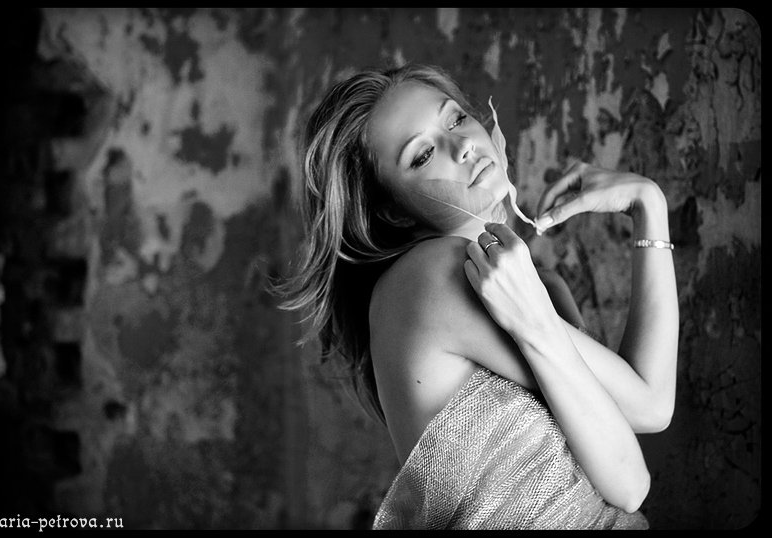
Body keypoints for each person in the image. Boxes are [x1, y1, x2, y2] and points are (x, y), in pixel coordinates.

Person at [275, 63, 678, 530]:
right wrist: (537, 325)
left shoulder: (536, 286)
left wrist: (648, 206)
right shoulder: (434, 275)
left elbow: (649, 404)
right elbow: (630, 484)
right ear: (393, 212)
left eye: (457, 118)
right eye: (422, 155)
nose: (463, 144)